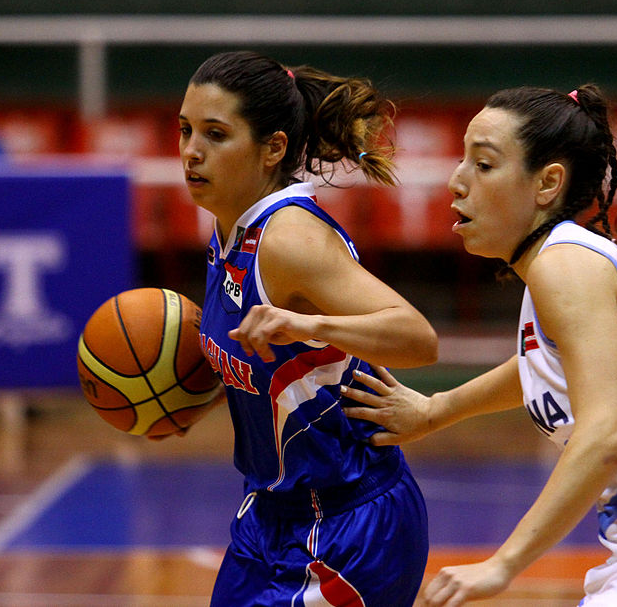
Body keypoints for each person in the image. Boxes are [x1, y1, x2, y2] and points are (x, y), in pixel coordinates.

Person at [342, 85, 617, 606]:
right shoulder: (557, 272)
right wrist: (435, 410)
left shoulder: (565, 266)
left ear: (548, 183)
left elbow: (606, 438)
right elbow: (536, 366)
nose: (457, 180)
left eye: (484, 165)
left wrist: (501, 564)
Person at [171, 50, 438, 605]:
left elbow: (417, 337)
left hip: (347, 523)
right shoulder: (228, 229)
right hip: (269, 512)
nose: (191, 151)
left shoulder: (287, 238)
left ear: (273, 148)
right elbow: (280, 372)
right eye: (185, 129)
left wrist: (309, 321)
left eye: (216, 135)